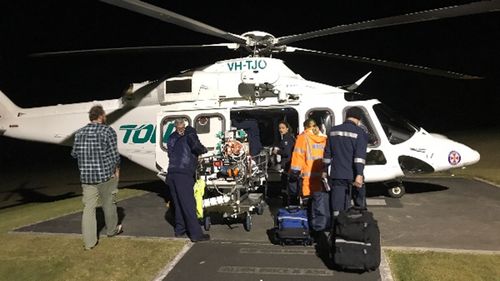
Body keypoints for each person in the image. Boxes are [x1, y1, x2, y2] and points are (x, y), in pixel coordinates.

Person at [71, 105, 122, 250]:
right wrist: (116, 170)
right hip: (106, 176)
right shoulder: (107, 131)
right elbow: (114, 156)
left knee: (88, 209)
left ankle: (89, 243)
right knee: (109, 204)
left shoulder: (79, 133)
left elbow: (74, 154)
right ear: (101, 116)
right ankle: (111, 231)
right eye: (104, 114)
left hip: (87, 178)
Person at [166, 118, 210, 242]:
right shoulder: (190, 134)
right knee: (189, 204)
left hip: (172, 172)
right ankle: (196, 234)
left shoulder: (171, 138)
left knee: (178, 204)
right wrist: (203, 150)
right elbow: (196, 147)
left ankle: (180, 230)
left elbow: (170, 154)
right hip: (183, 173)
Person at [322, 107, 368, 215]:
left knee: (337, 205)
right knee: (358, 206)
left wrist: (324, 169)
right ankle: (353, 225)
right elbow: (359, 157)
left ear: (347, 116)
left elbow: (327, 154)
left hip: (337, 174)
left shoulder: (333, 131)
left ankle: (337, 226)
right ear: (358, 119)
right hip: (352, 174)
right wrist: (360, 174)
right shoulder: (360, 132)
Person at [289, 118, 327, 205]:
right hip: (321, 175)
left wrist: (294, 172)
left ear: (305, 127)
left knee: (308, 202)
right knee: (319, 202)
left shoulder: (303, 137)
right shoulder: (323, 138)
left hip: (307, 175)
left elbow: (298, 155)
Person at [272, 121, 296, 199]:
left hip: (287, 164)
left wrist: (277, 151)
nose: (281, 130)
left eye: (283, 128)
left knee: (286, 185)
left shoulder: (287, 139)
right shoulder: (286, 138)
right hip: (286, 164)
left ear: (287, 129)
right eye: (279, 128)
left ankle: (288, 202)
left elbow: (287, 153)